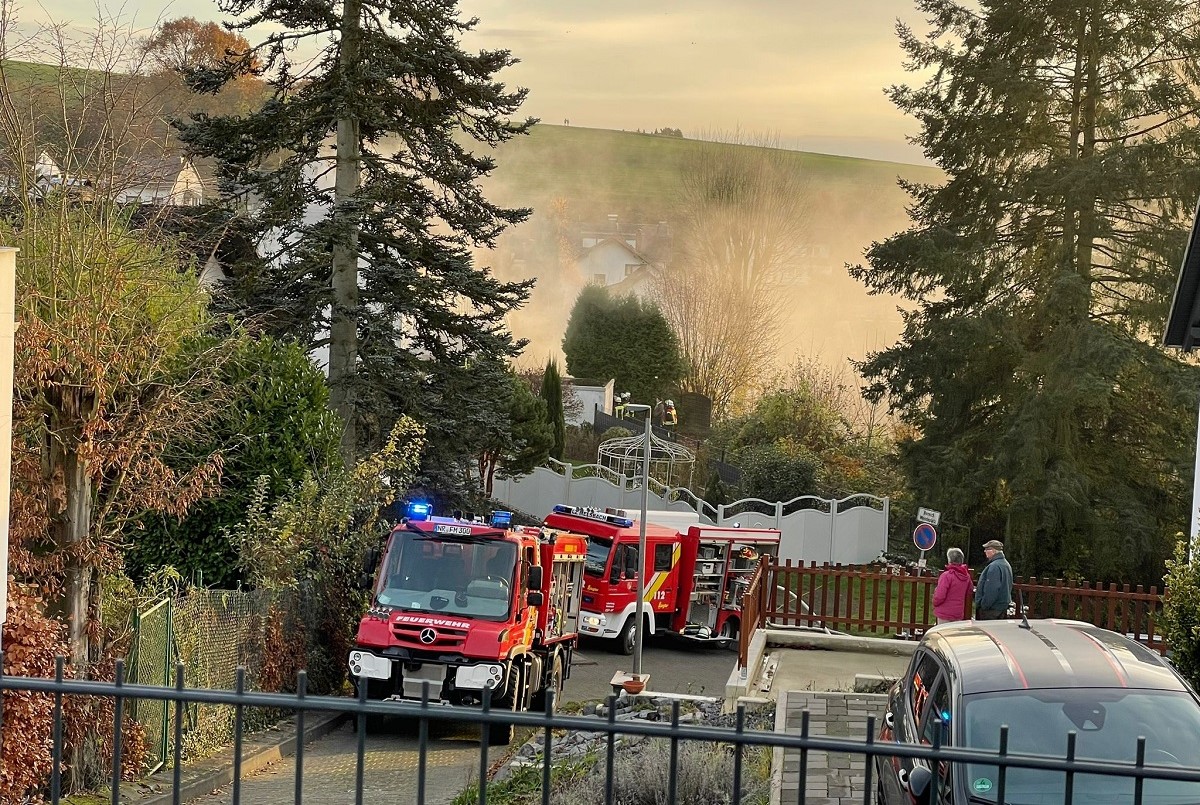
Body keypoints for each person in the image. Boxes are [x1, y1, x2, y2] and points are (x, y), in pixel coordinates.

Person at [974, 539, 1013, 620]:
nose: (985, 551)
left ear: (994, 551)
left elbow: (992, 589)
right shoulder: (1006, 564)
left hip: (991, 610)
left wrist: (984, 605)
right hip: (1001, 607)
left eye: (987, 549)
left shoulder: (994, 567)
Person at [932, 548, 972, 624]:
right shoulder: (966, 576)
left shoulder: (947, 576)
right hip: (958, 613)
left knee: (942, 634)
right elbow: (969, 591)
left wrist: (934, 602)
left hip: (944, 613)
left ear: (949, 560)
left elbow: (939, 596)